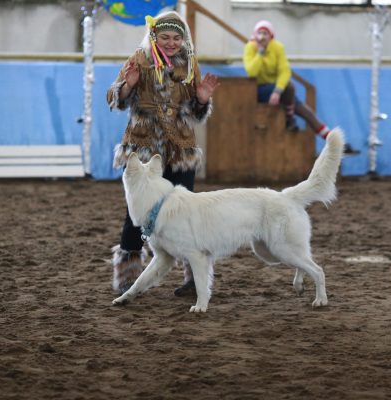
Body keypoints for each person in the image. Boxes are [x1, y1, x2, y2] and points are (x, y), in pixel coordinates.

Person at [106, 11, 219, 296]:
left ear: (184, 39)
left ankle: (195, 279)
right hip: (143, 151)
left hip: (180, 149)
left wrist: (202, 100)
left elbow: (195, 112)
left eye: (176, 38)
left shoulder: (190, 62)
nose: (171, 43)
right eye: (165, 37)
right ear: (154, 36)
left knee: (188, 212)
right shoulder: (140, 59)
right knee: (138, 217)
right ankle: (128, 279)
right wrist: (128, 85)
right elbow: (113, 98)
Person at [243, 20, 360, 155]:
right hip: (260, 89)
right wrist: (260, 52)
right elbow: (251, 72)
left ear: (271, 36)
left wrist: (277, 91)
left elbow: (285, 71)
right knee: (289, 88)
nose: (262, 36)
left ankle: (336, 145)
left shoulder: (277, 47)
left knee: (307, 112)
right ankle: (289, 118)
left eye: (265, 33)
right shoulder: (250, 47)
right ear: (255, 35)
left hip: (278, 90)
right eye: (260, 33)